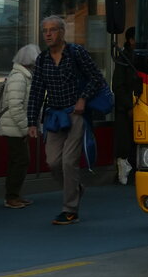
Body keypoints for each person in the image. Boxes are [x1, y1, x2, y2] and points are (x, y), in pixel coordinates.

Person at [26, 15, 107, 225]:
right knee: (53, 162)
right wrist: (32, 122)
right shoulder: (42, 59)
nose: (48, 34)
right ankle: (76, 188)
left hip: (75, 114)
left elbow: (97, 78)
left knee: (69, 162)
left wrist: (83, 99)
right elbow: (36, 91)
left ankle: (70, 210)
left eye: (52, 30)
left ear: (62, 32)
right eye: (45, 31)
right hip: (54, 116)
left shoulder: (76, 52)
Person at [0, 44, 39, 209]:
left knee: (18, 161)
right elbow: (16, 107)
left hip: (14, 126)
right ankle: (11, 197)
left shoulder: (21, 76)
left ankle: (14, 195)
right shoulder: (20, 78)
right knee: (20, 161)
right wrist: (26, 128)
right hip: (14, 127)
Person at [110, 27, 141, 185]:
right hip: (127, 107)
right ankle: (124, 171)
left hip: (143, 105)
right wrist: (130, 106)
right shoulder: (124, 58)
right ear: (130, 40)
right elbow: (118, 86)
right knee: (126, 141)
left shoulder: (144, 56)